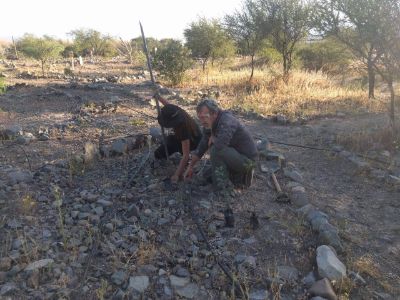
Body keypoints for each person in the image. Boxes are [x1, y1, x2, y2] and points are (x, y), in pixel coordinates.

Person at [185, 99, 257, 191]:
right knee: (207, 175)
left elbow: (220, 145)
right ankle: (231, 177)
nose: (202, 121)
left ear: (214, 114)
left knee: (216, 150)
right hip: (236, 156)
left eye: (204, 117)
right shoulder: (210, 122)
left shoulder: (227, 120)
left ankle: (220, 187)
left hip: (248, 162)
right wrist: (190, 166)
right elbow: (202, 145)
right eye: (200, 118)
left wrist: (214, 138)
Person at [154, 94, 202, 184]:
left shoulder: (183, 128)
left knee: (158, 153)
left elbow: (186, 155)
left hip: (194, 142)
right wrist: (159, 97)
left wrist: (176, 174)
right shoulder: (177, 112)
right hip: (190, 137)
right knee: (167, 141)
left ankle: (182, 162)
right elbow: (168, 106)